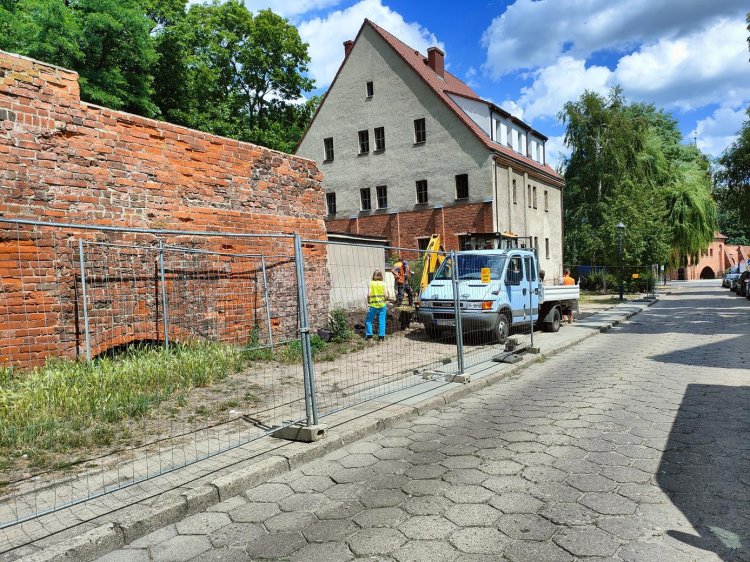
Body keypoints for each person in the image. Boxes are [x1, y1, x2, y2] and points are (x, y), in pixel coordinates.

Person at [365, 269, 387, 341]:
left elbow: (369, 294)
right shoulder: (383, 283)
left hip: (373, 305)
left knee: (368, 320)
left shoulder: (371, 283)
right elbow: (386, 295)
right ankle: (381, 337)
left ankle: (369, 336)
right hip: (382, 305)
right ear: (381, 276)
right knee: (382, 320)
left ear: (374, 276)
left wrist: (368, 301)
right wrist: (384, 299)